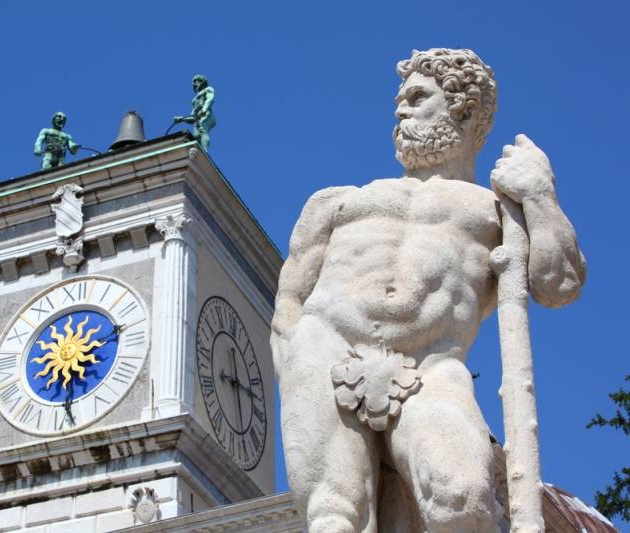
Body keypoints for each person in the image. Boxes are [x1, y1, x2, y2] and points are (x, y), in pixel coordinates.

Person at [271, 48, 586, 532]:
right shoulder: (338, 202)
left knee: (462, 498)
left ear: (463, 107)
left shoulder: (500, 213)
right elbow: (289, 300)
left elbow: (559, 284)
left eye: (418, 97)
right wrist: (295, 362)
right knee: (336, 514)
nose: (400, 110)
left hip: (432, 363)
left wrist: (541, 194)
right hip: (326, 344)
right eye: (400, 99)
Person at [173, 74, 216, 151]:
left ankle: (205, 152)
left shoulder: (208, 89)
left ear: (201, 82)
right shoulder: (195, 99)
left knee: (202, 129)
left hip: (207, 115)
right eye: (193, 83)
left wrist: (204, 109)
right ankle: (199, 151)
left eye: (196, 82)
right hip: (198, 116)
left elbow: (210, 99)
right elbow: (192, 117)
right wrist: (182, 119)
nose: (194, 84)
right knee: (196, 135)